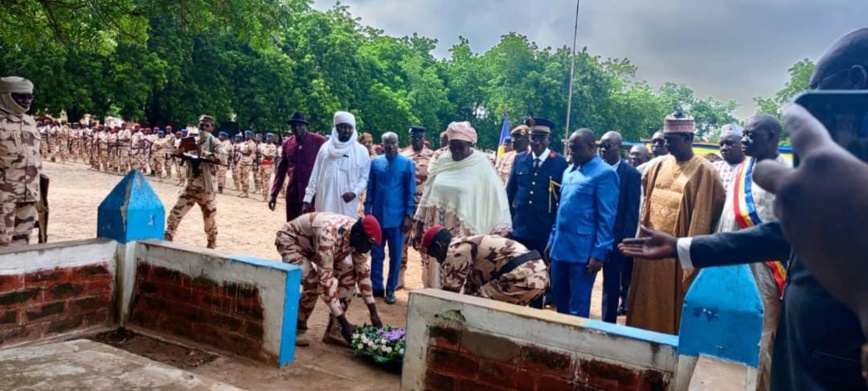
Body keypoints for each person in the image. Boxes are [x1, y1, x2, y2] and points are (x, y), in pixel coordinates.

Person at [622, 29, 868, 389]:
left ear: (854, 82)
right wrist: (681, 246)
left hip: (836, 364)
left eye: (817, 91)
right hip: (805, 354)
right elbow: (787, 232)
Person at [627, 112, 725, 335]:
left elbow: (709, 214)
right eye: (665, 140)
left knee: (673, 307)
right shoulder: (657, 165)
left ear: (688, 138)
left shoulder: (705, 171)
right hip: (650, 251)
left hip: (677, 256)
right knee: (644, 301)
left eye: (672, 140)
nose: (666, 145)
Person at [411, 121, 512, 288]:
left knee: (459, 273)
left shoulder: (481, 165)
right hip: (435, 230)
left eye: (460, 147)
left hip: (464, 234)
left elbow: (495, 198)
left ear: (470, 144)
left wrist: (497, 232)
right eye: (452, 147)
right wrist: (419, 225)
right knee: (434, 271)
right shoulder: (442, 161)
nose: (456, 151)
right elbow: (428, 193)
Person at [275, 213, 384, 347]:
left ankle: (334, 330)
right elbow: (325, 284)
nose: (369, 249)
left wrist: (373, 312)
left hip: (314, 246)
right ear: (358, 237)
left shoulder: (358, 235)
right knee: (313, 283)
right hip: (292, 242)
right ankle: (298, 327)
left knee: (349, 275)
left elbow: (363, 272)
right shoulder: (329, 234)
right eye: (368, 244)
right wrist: (345, 323)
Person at [545, 129, 618, 317]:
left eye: (576, 149)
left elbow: (606, 217)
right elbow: (562, 210)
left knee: (578, 306)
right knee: (560, 302)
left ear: (592, 147)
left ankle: (575, 344)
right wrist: (552, 240)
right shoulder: (568, 172)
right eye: (570, 149)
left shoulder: (605, 174)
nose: (572, 154)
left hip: (583, 254)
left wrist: (599, 253)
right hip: (560, 248)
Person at [505, 118, 567, 308]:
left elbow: (561, 200)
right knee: (516, 270)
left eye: (542, 138)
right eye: (534, 138)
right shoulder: (520, 159)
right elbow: (510, 193)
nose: (537, 142)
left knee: (539, 273)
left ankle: (535, 310)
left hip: (543, 229)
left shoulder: (559, 163)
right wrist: (506, 223)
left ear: (549, 138)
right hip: (520, 227)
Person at [420, 225, 548, 306]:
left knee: (476, 308)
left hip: (521, 276)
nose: (437, 260)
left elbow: (448, 298)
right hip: (538, 275)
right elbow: (470, 290)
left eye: (434, 255)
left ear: (439, 246)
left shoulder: (455, 252)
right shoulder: (468, 244)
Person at [364, 132, 415, 304]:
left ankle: (391, 289)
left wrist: (409, 214)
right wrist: (367, 211)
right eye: (388, 144)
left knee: (395, 255)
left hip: (397, 218)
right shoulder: (376, 163)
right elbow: (370, 188)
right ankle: (376, 286)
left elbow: (410, 191)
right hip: (377, 217)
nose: (391, 146)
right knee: (376, 254)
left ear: (398, 143)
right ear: (382, 144)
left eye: (394, 143)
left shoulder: (407, 163)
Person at [163, 115, 226, 249]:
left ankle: (211, 241)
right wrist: (181, 149)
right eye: (201, 125)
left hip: (206, 188)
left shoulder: (215, 142)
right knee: (176, 212)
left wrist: (203, 153)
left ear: (212, 128)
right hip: (190, 185)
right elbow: (176, 152)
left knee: (209, 219)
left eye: (206, 125)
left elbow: (223, 157)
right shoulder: (192, 140)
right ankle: (168, 235)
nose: (203, 127)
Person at [598, 131, 641, 320]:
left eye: (608, 146)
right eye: (601, 145)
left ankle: (607, 325)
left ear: (619, 148)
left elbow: (632, 212)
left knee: (611, 286)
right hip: (592, 237)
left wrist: (625, 241)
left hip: (615, 240)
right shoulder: (594, 169)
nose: (603, 149)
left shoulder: (631, 174)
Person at [302, 111, 370, 218]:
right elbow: (315, 174)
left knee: (345, 232)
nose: (347, 130)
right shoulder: (325, 149)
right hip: (324, 202)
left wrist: (354, 193)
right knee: (323, 231)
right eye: (343, 127)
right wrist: (307, 198)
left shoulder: (361, 151)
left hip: (347, 206)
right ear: (336, 128)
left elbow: (364, 178)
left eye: (350, 127)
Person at [0, 77, 41, 247]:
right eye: (21, 97)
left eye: (30, 97)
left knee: (21, 246)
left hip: (29, 195)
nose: (27, 101)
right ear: (6, 96)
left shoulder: (30, 122)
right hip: (3, 198)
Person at [270, 112, 327, 222]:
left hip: (312, 195)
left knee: (310, 227)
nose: (297, 128)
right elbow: (281, 171)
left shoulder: (319, 141)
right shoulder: (287, 144)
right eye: (293, 125)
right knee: (292, 227)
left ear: (305, 126)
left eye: (300, 125)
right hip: (293, 194)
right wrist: (274, 194)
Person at [397, 125, 434, 290]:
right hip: (405, 207)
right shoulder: (403, 155)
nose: (416, 139)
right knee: (401, 242)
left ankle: (425, 279)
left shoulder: (433, 157)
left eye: (419, 137)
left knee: (424, 243)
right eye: (413, 137)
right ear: (409, 137)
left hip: (424, 207)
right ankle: (400, 277)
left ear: (423, 137)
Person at [713, 124, 746, 191]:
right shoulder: (713, 168)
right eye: (721, 144)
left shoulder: (751, 168)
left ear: (742, 144)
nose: (724, 148)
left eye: (729, 143)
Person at [256, 133, 277, 201]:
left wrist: (261, 153)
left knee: (266, 180)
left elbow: (270, 157)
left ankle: (265, 196)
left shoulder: (273, 147)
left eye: (270, 137)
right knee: (261, 180)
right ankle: (263, 194)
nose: (269, 138)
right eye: (268, 137)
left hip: (268, 165)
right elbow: (258, 155)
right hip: (262, 164)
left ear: (272, 139)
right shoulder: (263, 145)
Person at [236, 130, 255, 198]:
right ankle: (243, 191)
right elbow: (241, 154)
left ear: (251, 136)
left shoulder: (252, 143)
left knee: (245, 177)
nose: (246, 136)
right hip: (241, 162)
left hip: (247, 162)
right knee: (240, 177)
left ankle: (246, 193)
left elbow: (248, 153)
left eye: (248, 135)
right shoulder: (243, 143)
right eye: (246, 134)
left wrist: (239, 151)